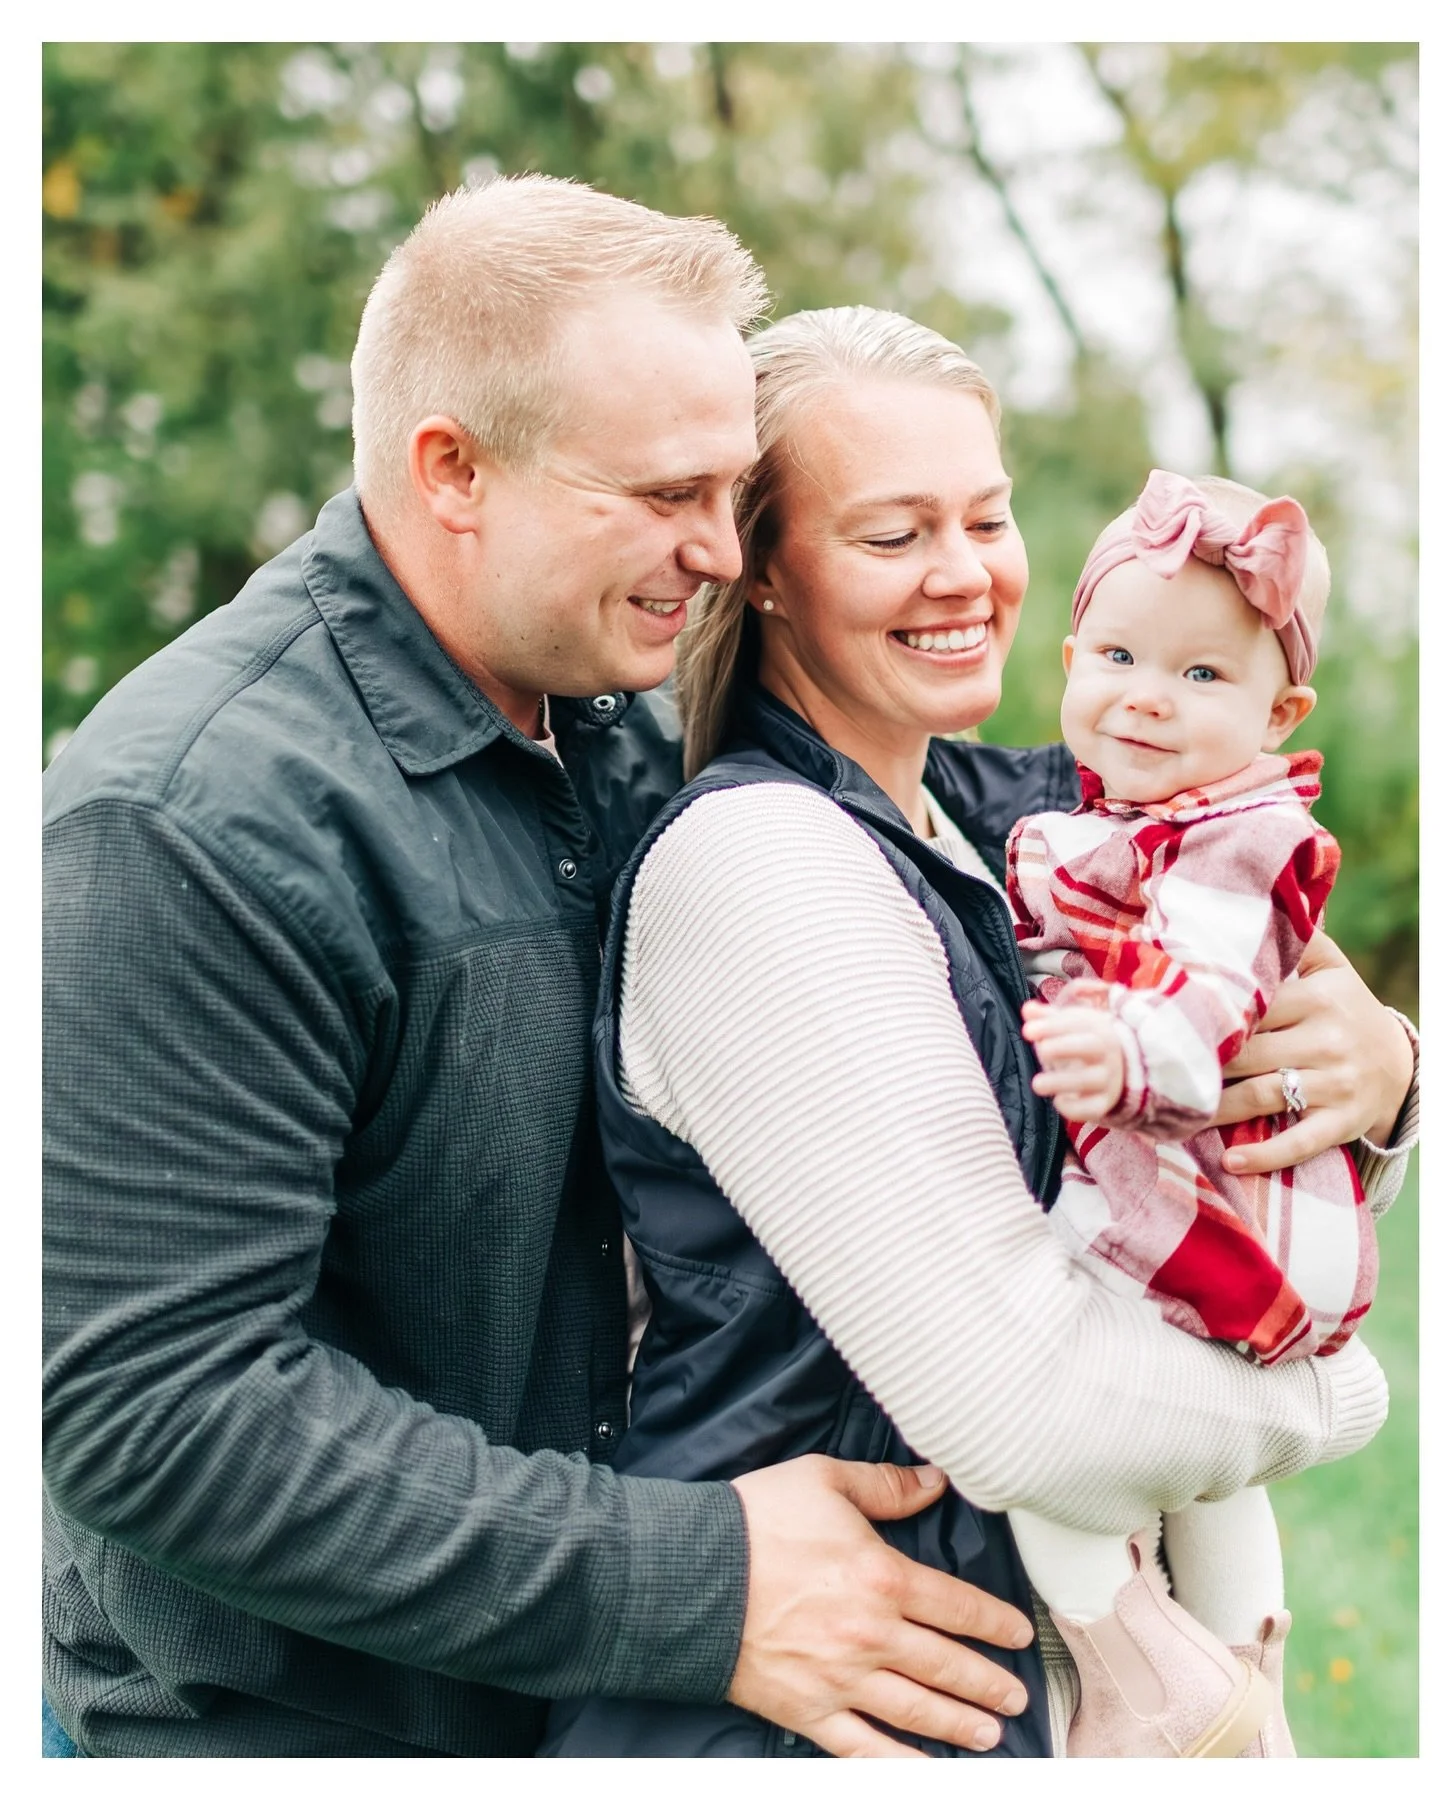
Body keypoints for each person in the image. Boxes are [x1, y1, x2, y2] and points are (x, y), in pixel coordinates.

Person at [42, 179, 1042, 1759]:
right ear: (454, 470)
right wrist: (701, 1582)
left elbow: (935, 813)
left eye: (733, 490)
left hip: (614, 1721)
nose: (717, 548)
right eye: (665, 494)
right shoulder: (192, 822)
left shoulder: (615, 721)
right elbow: (159, 1413)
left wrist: (1344, 1027)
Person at [539, 307, 1418, 1758]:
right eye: (894, 534)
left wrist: (1387, 1076)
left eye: (988, 518)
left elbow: (1228, 1096)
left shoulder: (1030, 821)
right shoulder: (763, 863)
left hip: (995, 1687)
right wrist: (1335, 1392)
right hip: (822, 1723)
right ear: (765, 572)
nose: (963, 574)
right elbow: (1030, 1412)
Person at [1003, 468, 1402, 1757]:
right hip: (1233, 1211)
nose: (1147, 696)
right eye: (1119, 657)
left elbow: (1211, 995)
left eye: (1202, 675)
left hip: (1198, 1202)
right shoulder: (1123, 821)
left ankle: (1142, 1684)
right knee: (1209, 1482)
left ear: (1279, 714)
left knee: (1038, 1437)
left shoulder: (1232, 839)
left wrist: (1124, 1056)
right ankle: (1245, 1682)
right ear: (1071, 658)